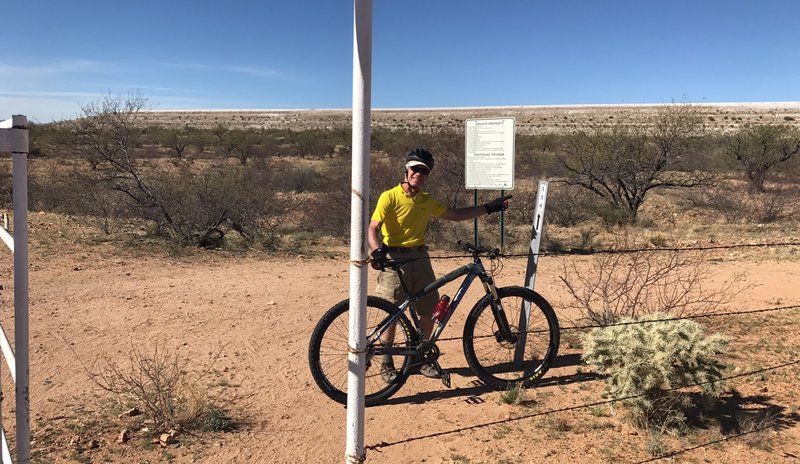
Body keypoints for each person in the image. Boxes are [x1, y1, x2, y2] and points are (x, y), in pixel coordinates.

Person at [368, 148, 511, 381]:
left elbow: (455, 214)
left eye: (424, 171)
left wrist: (488, 208)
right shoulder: (389, 196)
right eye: (415, 169)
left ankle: (420, 360)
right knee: (392, 313)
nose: (419, 174)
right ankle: (386, 362)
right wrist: (377, 251)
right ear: (406, 170)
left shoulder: (426, 201)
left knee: (428, 311)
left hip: (420, 259)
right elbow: (373, 228)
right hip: (394, 259)